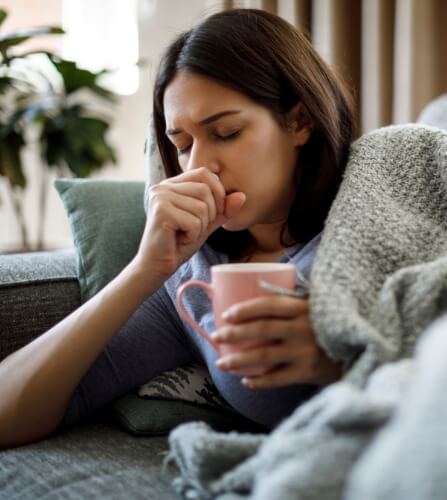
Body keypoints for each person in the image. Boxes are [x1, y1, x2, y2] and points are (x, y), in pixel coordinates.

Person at [0, 8, 355, 448]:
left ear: (299, 122)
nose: (200, 165)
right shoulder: (193, 282)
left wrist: (346, 359)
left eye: (226, 132)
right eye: (183, 145)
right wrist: (143, 272)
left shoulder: (373, 212)